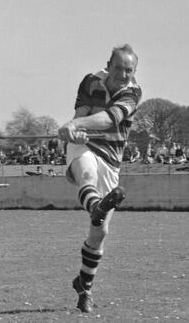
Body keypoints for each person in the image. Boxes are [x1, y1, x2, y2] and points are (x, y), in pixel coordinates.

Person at [57, 44, 142, 313]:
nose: (124, 74)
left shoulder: (133, 92)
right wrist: (74, 132)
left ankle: (84, 285)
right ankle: (96, 206)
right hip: (85, 148)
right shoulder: (90, 81)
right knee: (87, 176)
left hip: (111, 159)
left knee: (100, 232)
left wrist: (76, 126)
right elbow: (80, 116)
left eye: (130, 70)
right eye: (119, 68)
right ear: (109, 65)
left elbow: (108, 119)